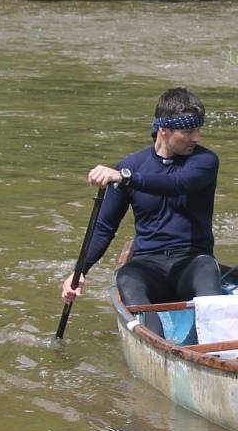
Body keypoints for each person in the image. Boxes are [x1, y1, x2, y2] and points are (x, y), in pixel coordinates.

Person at [61, 87, 223, 337]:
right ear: (164, 129)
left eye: (199, 130)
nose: (197, 138)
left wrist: (124, 178)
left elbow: (176, 185)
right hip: (147, 266)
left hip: (193, 261)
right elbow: (104, 228)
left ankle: (203, 346)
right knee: (127, 277)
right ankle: (155, 342)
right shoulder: (131, 166)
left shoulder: (205, 162)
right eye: (189, 131)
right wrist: (79, 271)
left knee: (208, 273)